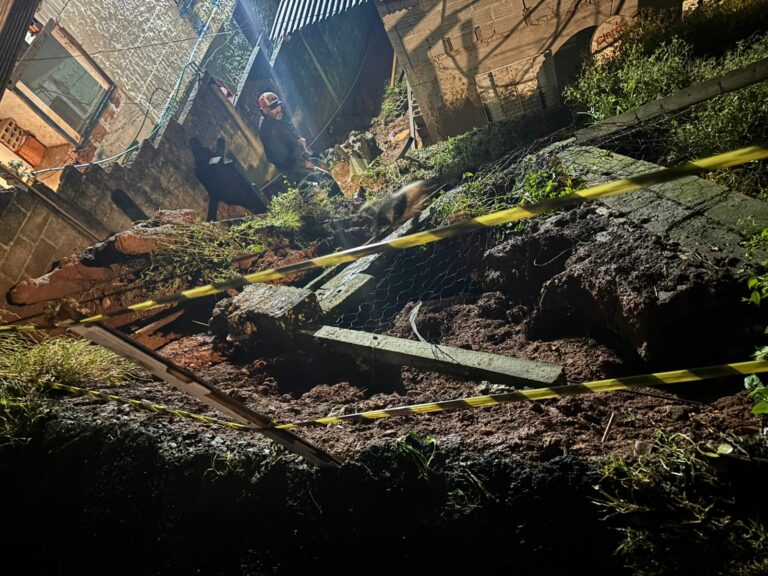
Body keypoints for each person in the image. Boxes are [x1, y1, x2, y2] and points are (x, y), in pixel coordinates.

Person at [258, 91, 342, 198]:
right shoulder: (267, 131)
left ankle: (321, 198)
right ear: (264, 110)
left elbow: (289, 125)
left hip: (298, 151)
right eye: (273, 107)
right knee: (323, 178)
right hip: (290, 165)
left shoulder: (277, 115)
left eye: (278, 105)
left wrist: (297, 137)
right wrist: (303, 163)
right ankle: (338, 202)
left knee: (319, 161)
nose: (278, 109)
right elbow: (280, 158)